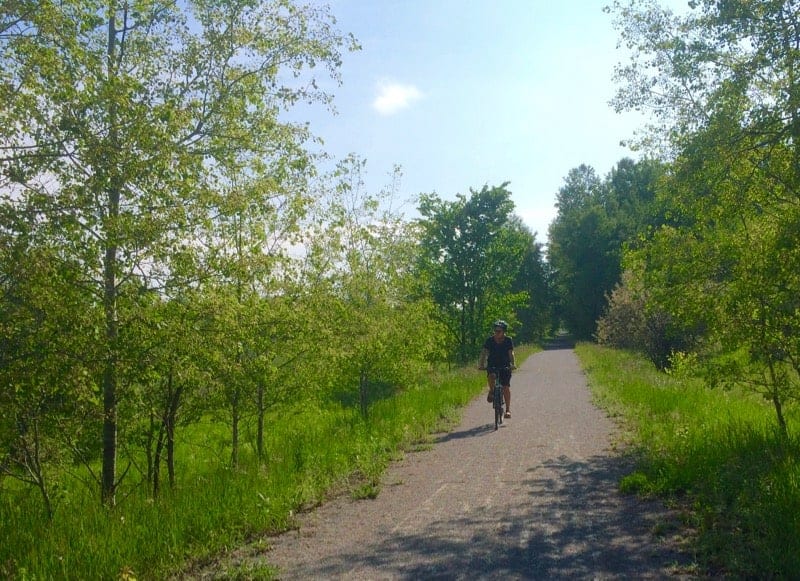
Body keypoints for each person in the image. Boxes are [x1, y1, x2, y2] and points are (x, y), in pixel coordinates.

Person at [477, 320, 516, 418]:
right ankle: (491, 391)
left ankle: (507, 410)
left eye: (499, 331)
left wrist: (513, 364)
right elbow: (484, 353)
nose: (496, 333)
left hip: (505, 365)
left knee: (506, 387)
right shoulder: (489, 340)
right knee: (491, 375)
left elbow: (511, 353)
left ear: (503, 332)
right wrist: (481, 364)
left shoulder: (508, 340)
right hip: (492, 364)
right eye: (495, 331)